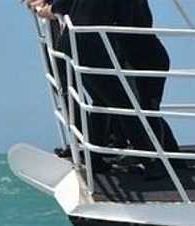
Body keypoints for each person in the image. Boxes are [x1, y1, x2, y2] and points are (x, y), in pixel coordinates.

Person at [27, 0, 179, 178]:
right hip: (89, 41)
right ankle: (151, 163)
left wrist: (50, 9)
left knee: (103, 102)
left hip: (77, 40)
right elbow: (127, 18)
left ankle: (95, 159)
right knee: (123, 105)